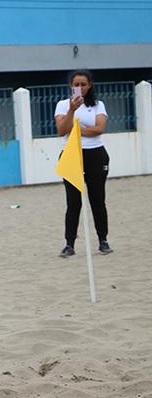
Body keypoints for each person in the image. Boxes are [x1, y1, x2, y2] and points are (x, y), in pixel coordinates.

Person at [54, 70, 112, 258]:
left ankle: (103, 240)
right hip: (71, 154)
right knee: (73, 202)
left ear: (90, 85)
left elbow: (99, 129)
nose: (80, 88)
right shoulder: (63, 105)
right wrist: (72, 110)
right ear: (71, 86)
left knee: (97, 199)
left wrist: (76, 129)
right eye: (76, 85)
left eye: (83, 84)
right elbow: (61, 130)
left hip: (95, 154)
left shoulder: (98, 105)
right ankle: (69, 244)